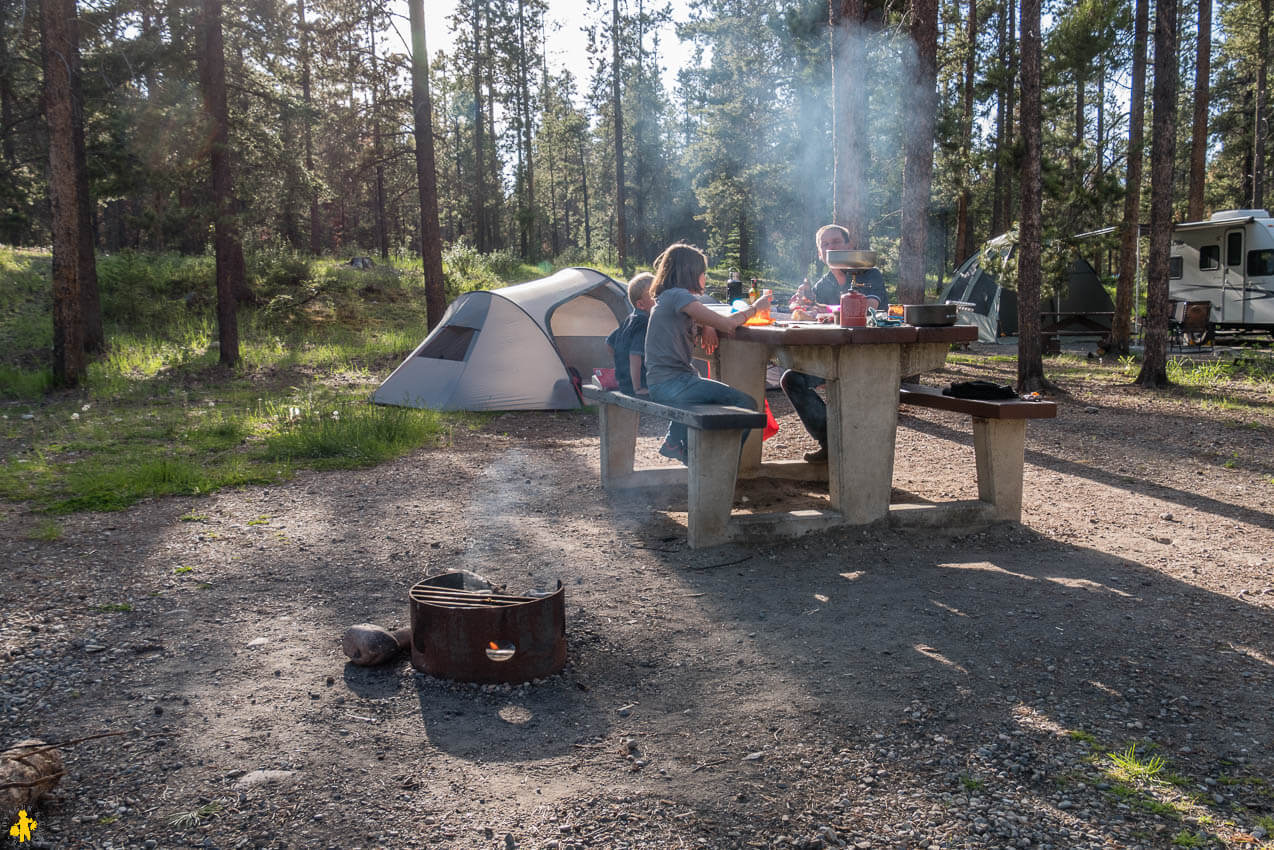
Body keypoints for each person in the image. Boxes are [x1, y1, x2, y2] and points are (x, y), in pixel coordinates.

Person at [645, 243, 771, 464]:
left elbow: (704, 319)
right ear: (692, 273)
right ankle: (720, 466)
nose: (705, 278)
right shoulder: (679, 296)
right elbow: (729, 325)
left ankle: (678, 445)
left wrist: (708, 326)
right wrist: (756, 308)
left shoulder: (669, 297)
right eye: (704, 273)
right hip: (674, 384)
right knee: (747, 406)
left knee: (714, 397)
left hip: (666, 382)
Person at [780, 224, 890, 463]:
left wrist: (825, 310)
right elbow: (814, 317)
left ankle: (846, 445)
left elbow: (866, 308)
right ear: (820, 254)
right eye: (825, 245)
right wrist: (802, 305)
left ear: (849, 246)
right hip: (834, 357)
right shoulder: (823, 284)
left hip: (869, 355)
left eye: (836, 242)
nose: (831, 248)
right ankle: (831, 440)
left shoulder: (868, 274)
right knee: (792, 378)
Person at [605, 272, 655, 395]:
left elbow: (609, 343)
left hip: (623, 383)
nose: (658, 298)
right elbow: (635, 356)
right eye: (654, 295)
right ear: (640, 304)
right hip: (638, 384)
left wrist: (621, 364)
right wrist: (637, 387)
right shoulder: (643, 323)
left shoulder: (629, 320)